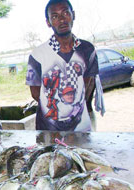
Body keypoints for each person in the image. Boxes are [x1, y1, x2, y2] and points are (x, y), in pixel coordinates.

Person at [26, 0, 104, 131]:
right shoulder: (37, 55)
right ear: (48, 22)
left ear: (73, 15)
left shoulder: (87, 49)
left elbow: (88, 85)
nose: (62, 19)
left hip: (81, 126)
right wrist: (58, 108)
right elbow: (35, 93)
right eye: (55, 16)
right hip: (48, 129)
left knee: (82, 152)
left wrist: (74, 108)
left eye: (65, 13)